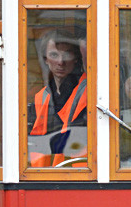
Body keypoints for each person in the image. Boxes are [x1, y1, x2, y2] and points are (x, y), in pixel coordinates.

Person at [29, 35, 87, 167]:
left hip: (81, 173)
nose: (61, 62)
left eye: (66, 55)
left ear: (76, 59)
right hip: (44, 175)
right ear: (46, 60)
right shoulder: (41, 96)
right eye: (54, 55)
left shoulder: (91, 91)